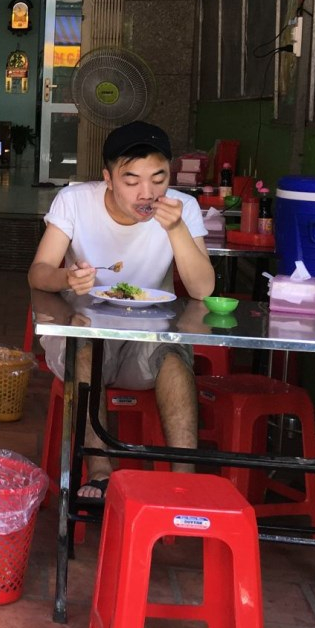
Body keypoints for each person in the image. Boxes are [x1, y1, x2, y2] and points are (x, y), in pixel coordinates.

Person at [26, 120, 215, 504]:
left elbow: (202, 290)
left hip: (146, 339)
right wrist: (67, 277)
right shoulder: (75, 201)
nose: (148, 193)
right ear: (108, 178)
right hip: (83, 327)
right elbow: (38, 273)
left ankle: (185, 482)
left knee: (175, 359)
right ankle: (100, 472)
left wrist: (177, 229)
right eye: (132, 181)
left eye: (159, 179)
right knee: (85, 351)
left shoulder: (183, 209)